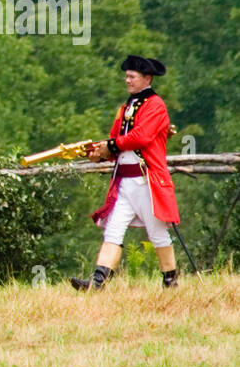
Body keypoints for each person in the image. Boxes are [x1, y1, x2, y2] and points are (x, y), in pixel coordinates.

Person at [72, 55, 181, 290]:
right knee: (113, 229)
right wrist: (99, 152)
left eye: (132, 76)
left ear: (147, 78)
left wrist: (110, 146)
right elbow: (116, 141)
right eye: (127, 76)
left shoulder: (156, 105)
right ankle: (97, 282)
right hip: (124, 182)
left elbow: (140, 137)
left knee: (157, 233)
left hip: (146, 182)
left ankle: (170, 282)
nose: (127, 80)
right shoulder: (126, 107)